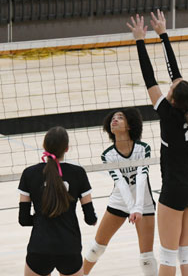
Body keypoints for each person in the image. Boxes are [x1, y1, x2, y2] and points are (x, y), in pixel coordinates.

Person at [127, 11, 188, 276]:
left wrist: (140, 40)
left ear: (172, 99)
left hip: (175, 190)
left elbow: (149, 78)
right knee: (186, 252)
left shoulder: (169, 115)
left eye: (170, 89)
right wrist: (163, 35)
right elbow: (176, 77)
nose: (170, 86)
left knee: (169, 255)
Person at [83, 108, 157, 276]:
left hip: (143, 203)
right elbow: (121, 183)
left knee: (146, 258)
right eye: (112, 119)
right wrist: (131, 208)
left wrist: (138, 208)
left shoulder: (142, 148)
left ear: (130, 125)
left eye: (120, 118)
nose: (114, 120)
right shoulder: (108, 154)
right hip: (119, 201)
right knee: (96, 249)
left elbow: (141, 178)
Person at [18, 126, 97, 276]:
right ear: (66, 148)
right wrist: (92, 220)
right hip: (69, 248)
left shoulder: (29, 174)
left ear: (44, 147)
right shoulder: (78, 173)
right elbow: (90, 218)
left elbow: (23, 220)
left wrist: (41, 219)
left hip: (40, 248)